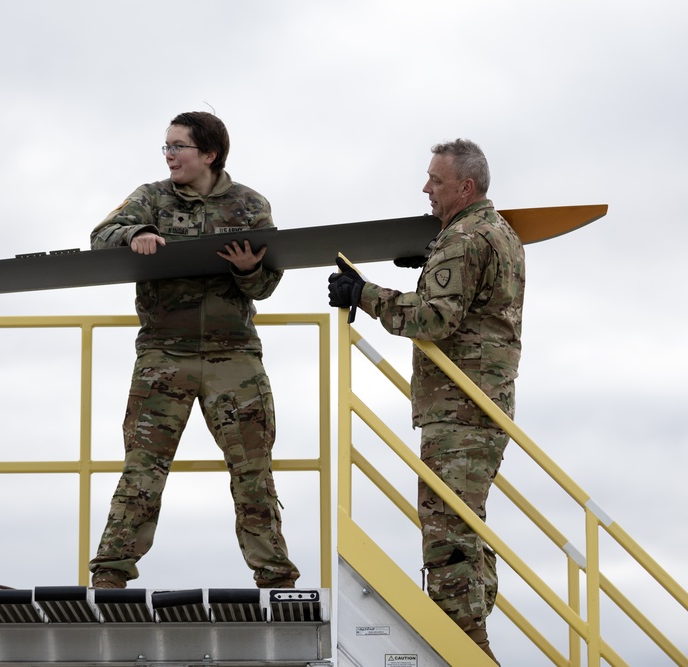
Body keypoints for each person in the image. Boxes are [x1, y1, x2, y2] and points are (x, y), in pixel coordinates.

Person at [328, 139, 523, 664]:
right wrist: (428, 265)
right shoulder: (499, 233)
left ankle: (464, 650)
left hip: (459, 409)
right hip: (482, 403)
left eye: (436, 181)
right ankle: (473, 641)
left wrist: (363, 295)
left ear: (466, 187)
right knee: (467, 528)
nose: (426, 189)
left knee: (447, 534)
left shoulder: (463, 238)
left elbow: (435, 319)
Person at [88, 111, 300, 590]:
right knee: (143, 468)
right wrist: (132, 235)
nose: (169, 156)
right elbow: (99, 237)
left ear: (209, 153)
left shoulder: (250, 204)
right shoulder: (150, 199)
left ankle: (274, 577)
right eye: (165, 147)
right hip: (165, 353)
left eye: (178, 147)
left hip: (234, 356)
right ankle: (110, 574)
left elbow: (266, 286)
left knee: (252, 470)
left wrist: (248, 270)